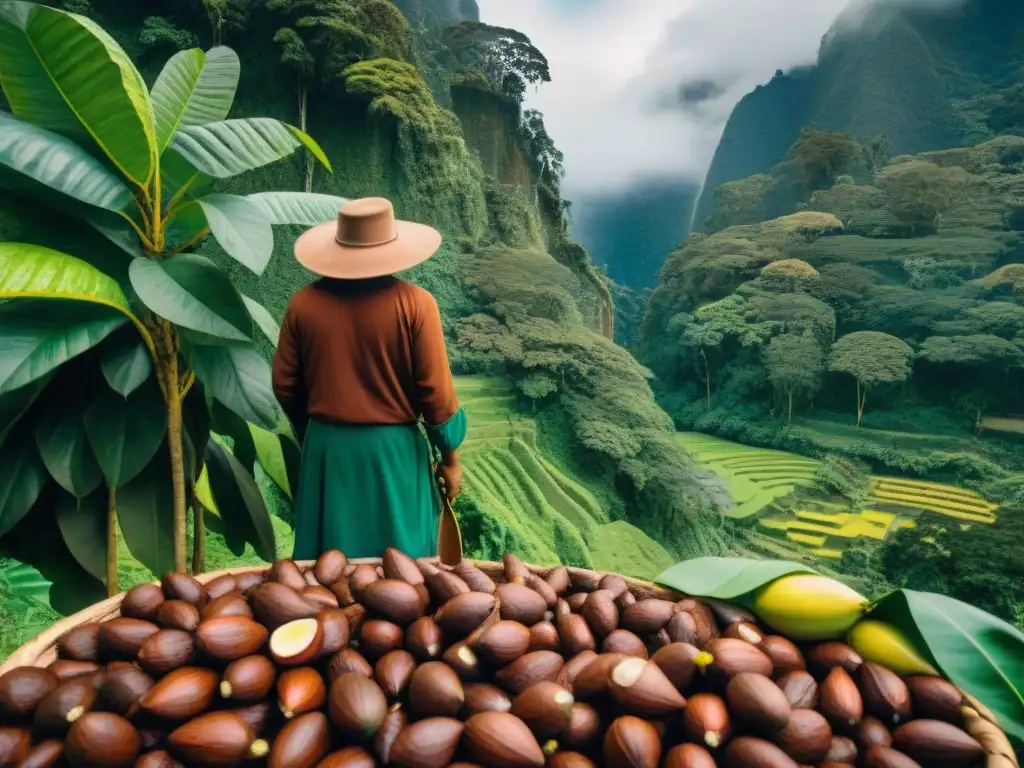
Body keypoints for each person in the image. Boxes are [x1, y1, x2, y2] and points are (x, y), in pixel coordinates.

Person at [272, 197, 467, 560]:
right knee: (405, 576)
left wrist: (314, 431)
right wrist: (451, 459)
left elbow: (285, 385)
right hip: (393, 457)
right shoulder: (416, 304)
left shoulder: (302, 304)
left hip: (327, 455)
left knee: (327, 573)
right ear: (392, 248)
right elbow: (437, 398)